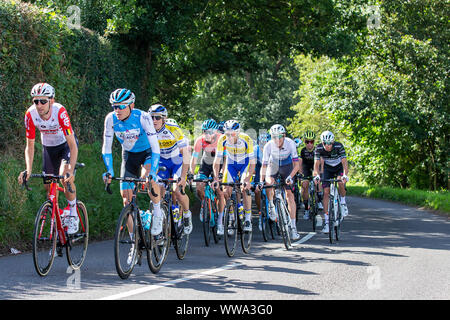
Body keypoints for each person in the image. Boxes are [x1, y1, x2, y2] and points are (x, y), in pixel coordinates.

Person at [18, 83, 80, 234]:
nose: (39, 105)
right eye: (36, 101)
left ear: (51, 100)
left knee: (64, 177)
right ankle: (57, 216)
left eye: (43, 101)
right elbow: (30, 146)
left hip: (65, 145)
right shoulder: (30, 115)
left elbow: (73, 145)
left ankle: (73, 214)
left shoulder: (60, 112)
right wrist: (29, 169)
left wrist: (70, 170)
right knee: (48, 188)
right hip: (49, 148)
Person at [101, 88, 162, 238]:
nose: (117, 110)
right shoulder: (110, 119)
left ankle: (158, 213)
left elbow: (155, 148)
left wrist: (153, 171)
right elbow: (106, 147)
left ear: (131, 106)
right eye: (115, 106)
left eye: (121, 106)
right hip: (129, 155)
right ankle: (134, 241)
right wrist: (109, 170)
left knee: (147, 179)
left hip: (147, 153)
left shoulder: (143, 117)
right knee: (126, 200)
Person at [150, 104, 193, 235]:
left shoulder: (173, 129)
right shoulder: (148, 130)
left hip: (177, 161)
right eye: (151, 117)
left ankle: (186, 214)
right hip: (161, 161)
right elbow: (145, 154)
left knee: (178, 192)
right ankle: (162, 224)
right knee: (158, 192)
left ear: (164, 118)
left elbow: (186, 154)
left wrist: (184, 177)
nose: (154, 120)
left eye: (157, 117)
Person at [213, 120, 255, 234]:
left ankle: (247, 219)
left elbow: (252, 162)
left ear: (238, 132)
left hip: (244, 164)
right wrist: (216, 178)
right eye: (227, 134)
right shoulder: (222, 139)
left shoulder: (246, 139)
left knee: (244, 188)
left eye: (232, 134)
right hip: (231, 164)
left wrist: (248, 178)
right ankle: (231, 218)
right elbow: (217, 161)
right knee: (226, 191)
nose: (230, 137)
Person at [259, 124, 300, 241]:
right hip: (274, 165)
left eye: (279, 137)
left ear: (284, 135)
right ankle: (271, 206)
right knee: (268, 183)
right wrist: (261, 181)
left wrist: (290, 177)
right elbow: (264, 166)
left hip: (287, 167)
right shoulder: (268, 146)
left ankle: (293, 227)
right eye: (274, 137)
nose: (277, 140)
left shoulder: (290, 143)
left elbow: (296, 165)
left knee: (290, 196)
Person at [313, 130, 349, 233]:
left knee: (341, 182)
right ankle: (327, 223)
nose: (328, 146)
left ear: (333, 142)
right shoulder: (319, 148)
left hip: (338, 167)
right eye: (325, 143)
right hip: (327, 168)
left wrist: (345, 175)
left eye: (330, 143)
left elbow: (344, 163)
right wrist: (317, 176)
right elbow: (316, 165)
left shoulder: (338, 146)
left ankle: (343, 202)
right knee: (326, 192)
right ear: (322, 142)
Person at [190, 119, 225, 223]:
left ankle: (220, 220)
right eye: (204, 131)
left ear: (215, 132)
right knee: (199, 187)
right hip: (206, 162)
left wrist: (221, 173)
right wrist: (191, 173)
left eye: (209, 132)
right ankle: (204, 205)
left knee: (219, 191)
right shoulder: (200, 140)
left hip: (220, 162)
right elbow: (194, 158)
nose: (206, 134)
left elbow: (226, 159)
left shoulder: (221, 139)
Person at [298, 130, 323, 220]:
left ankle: (319, 201)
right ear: (304, 142)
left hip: (315, 166)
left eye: (311, 141)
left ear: (314, 142)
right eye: (307, 142)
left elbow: (321, 162)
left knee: (317, 181)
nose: (309, 144)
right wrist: (300, 174)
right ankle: (306, 209)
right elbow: (299, 163)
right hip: (305, 168)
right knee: (304, 185)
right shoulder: (302, 150)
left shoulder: (317, 150)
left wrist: (321, 173)